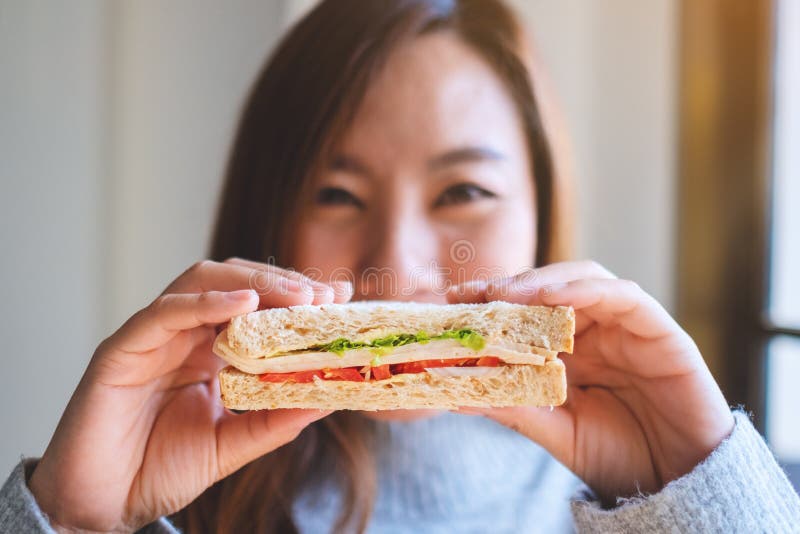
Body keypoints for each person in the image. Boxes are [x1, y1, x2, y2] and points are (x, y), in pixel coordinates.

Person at [2, 0, 799, 532]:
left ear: (542, 211)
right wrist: (72, 519)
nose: (399, 264)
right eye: (338, 194)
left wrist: (705, 491)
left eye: (462, 190)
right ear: (268, 217)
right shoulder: (171, 501)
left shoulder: (661, 496)